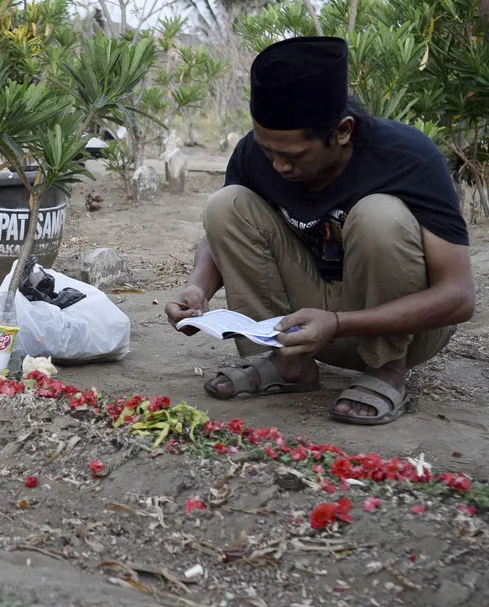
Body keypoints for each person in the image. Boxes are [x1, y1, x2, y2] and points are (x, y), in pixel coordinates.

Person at [165, 36, 475, 426]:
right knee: (226, 203)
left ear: (342, 132)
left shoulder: (406, 158)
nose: (278, 166)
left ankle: (387, 370)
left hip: (402, 327)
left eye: (293, 155)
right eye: (268, 151)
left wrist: (340, 323)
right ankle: (289, 364)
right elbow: (223, 232)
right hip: (303, 327)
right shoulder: (255, 153)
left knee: (378, 214)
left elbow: (459, 297)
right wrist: (198, 288)